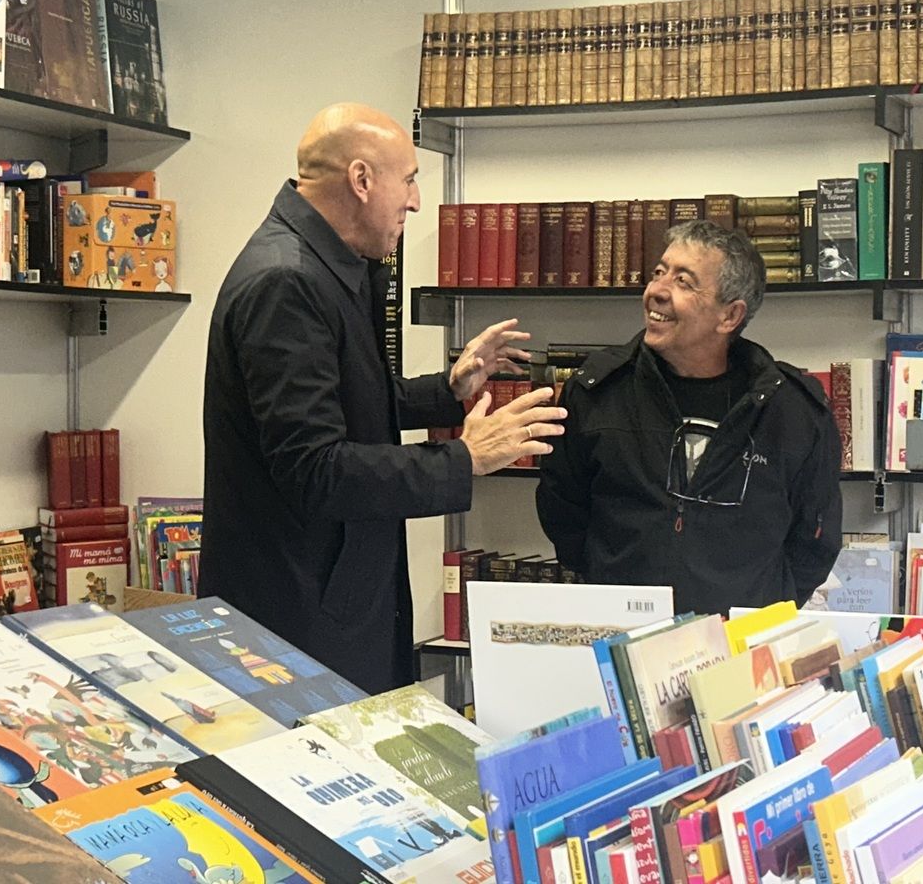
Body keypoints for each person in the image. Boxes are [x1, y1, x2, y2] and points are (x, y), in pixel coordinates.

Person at [199, 102, 565, 694]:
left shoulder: (324, 265)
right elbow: (314, 468)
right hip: (297, 622)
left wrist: (446, 394)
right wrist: (464, 458)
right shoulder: (287, 281)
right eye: (411, 179)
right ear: (363, 180)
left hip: (325, 602)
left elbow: (338, 403)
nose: (416, 202)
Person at [536, 220, 842, 616]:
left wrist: (763, 605)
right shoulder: (598, 392)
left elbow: (814, 540)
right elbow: (563, 509)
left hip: (742, 645)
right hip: (622, 633)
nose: (657, 291)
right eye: (659, 273)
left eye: (684, 281)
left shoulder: (793, 409)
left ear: (729, 316)